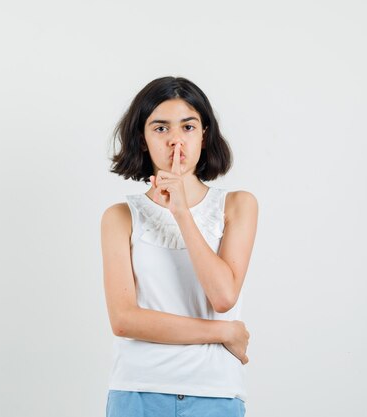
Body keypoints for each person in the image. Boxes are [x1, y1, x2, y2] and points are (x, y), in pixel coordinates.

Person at [100, 76, 258, 417]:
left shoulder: (237, 206)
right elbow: (125, 321)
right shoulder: (119, 217)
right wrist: (224, 331)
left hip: (215, 393)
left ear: (205, 134)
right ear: (142, 139)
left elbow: (223, 296)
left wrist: (182, 212)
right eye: (160, 128)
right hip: (137, 392)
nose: (175, 141)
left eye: (188, 127)